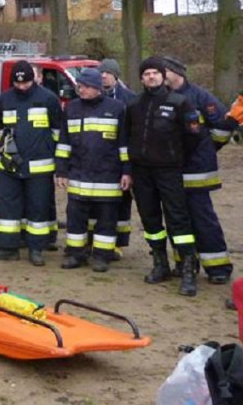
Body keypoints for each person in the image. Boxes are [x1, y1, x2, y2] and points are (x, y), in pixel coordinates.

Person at [126, 57, 202, 296]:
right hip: (142, 172)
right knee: (151, 221)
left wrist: (175, 158)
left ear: (163, 76)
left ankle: (188, 268)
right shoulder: (134, 105)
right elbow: (127, 137)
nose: (151, 77)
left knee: (178, 220)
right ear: (141, 78)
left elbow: (193, 137)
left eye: (155, 73)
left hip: (169, 170)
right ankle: (160, 263)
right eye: (146, 74)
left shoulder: (180, 102)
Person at [162, 56, 236, 284]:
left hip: (197, 171)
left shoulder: (201, 97)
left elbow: (224, 127)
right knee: (177, 220)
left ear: (177, 72)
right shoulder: (162, 97)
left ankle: (218, 267)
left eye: (164, 70)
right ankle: (185, 263)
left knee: (202, 218)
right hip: (171, 171)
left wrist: (206, 147)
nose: (160, 74)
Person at [0, 59, 63, 266]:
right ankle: (7, 247)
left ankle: (36, 249)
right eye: (18, 83)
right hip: (9, 166)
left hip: (40, 166)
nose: (21, 87)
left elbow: (58, 132)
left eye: (26, 83)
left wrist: (50, 154)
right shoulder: (5, 99)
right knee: (7, 209)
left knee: (37, 208)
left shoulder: (49, 99)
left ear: (34, 79)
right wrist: (8, 152)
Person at [55, 68, 130, 273]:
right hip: (79, 175)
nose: (82, 90)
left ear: (98, 88)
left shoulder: (116, 108)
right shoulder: (71, 108)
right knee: (75, 217)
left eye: (86, 87)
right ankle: (75, 254)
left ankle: (101, 256)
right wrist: (61, 171)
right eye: (80, 86)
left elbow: (123, 144)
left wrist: (126, 171)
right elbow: (64, 142)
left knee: (106, 218)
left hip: (108, 175)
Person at [98, 58, 136, 255]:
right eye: (101, 72)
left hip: (122, 158)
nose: (103, 76)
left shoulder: (129, 98)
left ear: (116, 75)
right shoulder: (92, 96)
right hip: (100, 158)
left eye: (107, 73)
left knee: (122, 202)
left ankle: (119, 243)